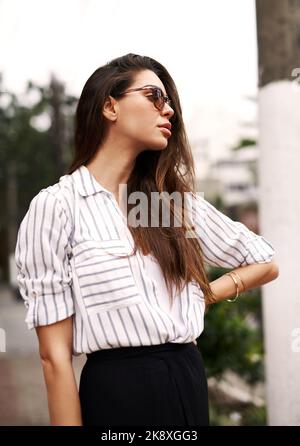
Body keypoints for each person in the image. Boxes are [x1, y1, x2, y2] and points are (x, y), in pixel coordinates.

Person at [14, 53, 279, 426]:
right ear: (110, 106)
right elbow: (55, 359)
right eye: (155, 96)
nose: (167, 109)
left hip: (185, 378)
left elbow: (264, 260)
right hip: (118, 392)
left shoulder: (159, 204)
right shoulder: (59, 207)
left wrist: (206, 294)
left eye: (169, 101)